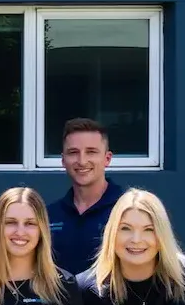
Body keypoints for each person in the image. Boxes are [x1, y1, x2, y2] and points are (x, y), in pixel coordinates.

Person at [47, 117, 128, 273]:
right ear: (63, 160)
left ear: (107, 158)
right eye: (73, 153)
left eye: (91, 152)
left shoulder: (128, 210)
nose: (82, 161)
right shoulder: (49, 215)